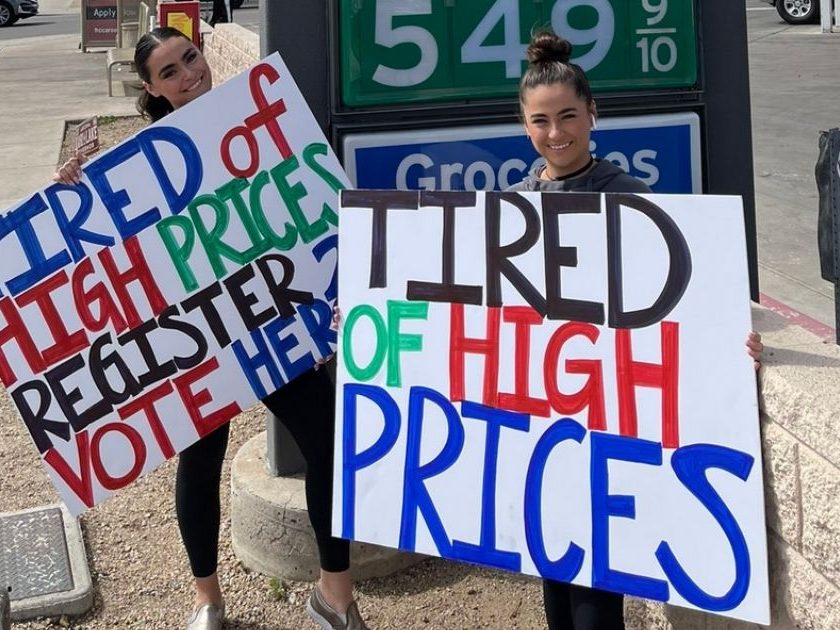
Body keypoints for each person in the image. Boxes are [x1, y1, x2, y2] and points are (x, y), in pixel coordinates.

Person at [54, 27, 367, 630]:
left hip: (273, 322)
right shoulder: (137, 164)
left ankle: (335, 596)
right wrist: (74, 193)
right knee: (200, 459)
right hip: (198, 335)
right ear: (150, 89)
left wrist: (325, 305)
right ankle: (207, 603)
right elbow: (104, 251)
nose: (188, 74)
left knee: (328, 443)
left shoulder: (258, 127)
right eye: (169, 72)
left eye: (190, 58)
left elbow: (303, 215)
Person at [507, 29, 763, 630]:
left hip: (611, 432)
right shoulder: (510, 210)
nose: (557, 133)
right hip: (541, 428)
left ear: (594, 114)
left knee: (597, 604)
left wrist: (731, 345)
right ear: (525, 126)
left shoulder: (636, 203)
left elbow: (680, 310)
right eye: (541, 121)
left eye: (569, 116)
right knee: (556, 587)